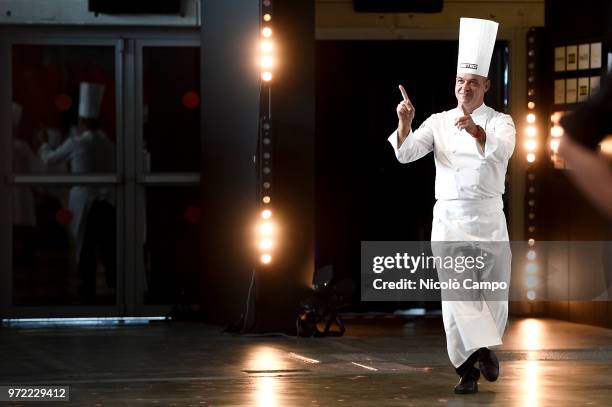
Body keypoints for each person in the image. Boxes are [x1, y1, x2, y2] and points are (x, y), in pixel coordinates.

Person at [387, 18, 516, 394]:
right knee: (458, 295)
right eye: (460, 82)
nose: (465, 88)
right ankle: (469, 367)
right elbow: (406, 154)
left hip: (489, 217)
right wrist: (405, 123)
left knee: (493, 293)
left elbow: (504, 150)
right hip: (450, 219)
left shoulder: (501, 122)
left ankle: (481, 350)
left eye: (472, 83)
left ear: (486, 86)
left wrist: (478, 131)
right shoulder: (440, 122)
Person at [39, 82, 116, 301]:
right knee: (105, 247)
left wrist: (44, 143)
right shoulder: (107, 143)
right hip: (106, 202)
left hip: (84, 202)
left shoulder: (77, 143)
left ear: (81, 121)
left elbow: (49, 159)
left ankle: (86, 291)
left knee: (85, 248)